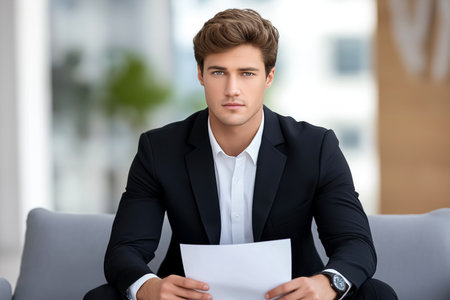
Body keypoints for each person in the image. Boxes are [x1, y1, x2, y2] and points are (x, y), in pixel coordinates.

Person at [85, 8, 397, 300]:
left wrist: (327, 283)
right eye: (219, 72)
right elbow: (125, 249)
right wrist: (150, 288)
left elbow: (355, 243)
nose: (232, 88)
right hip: (191, 295)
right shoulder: (159, 149)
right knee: (101, 297)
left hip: (290, 293)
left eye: (247, 73)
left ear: (268, 77)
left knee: (378, 294)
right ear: (200, 75)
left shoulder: (315, 147)